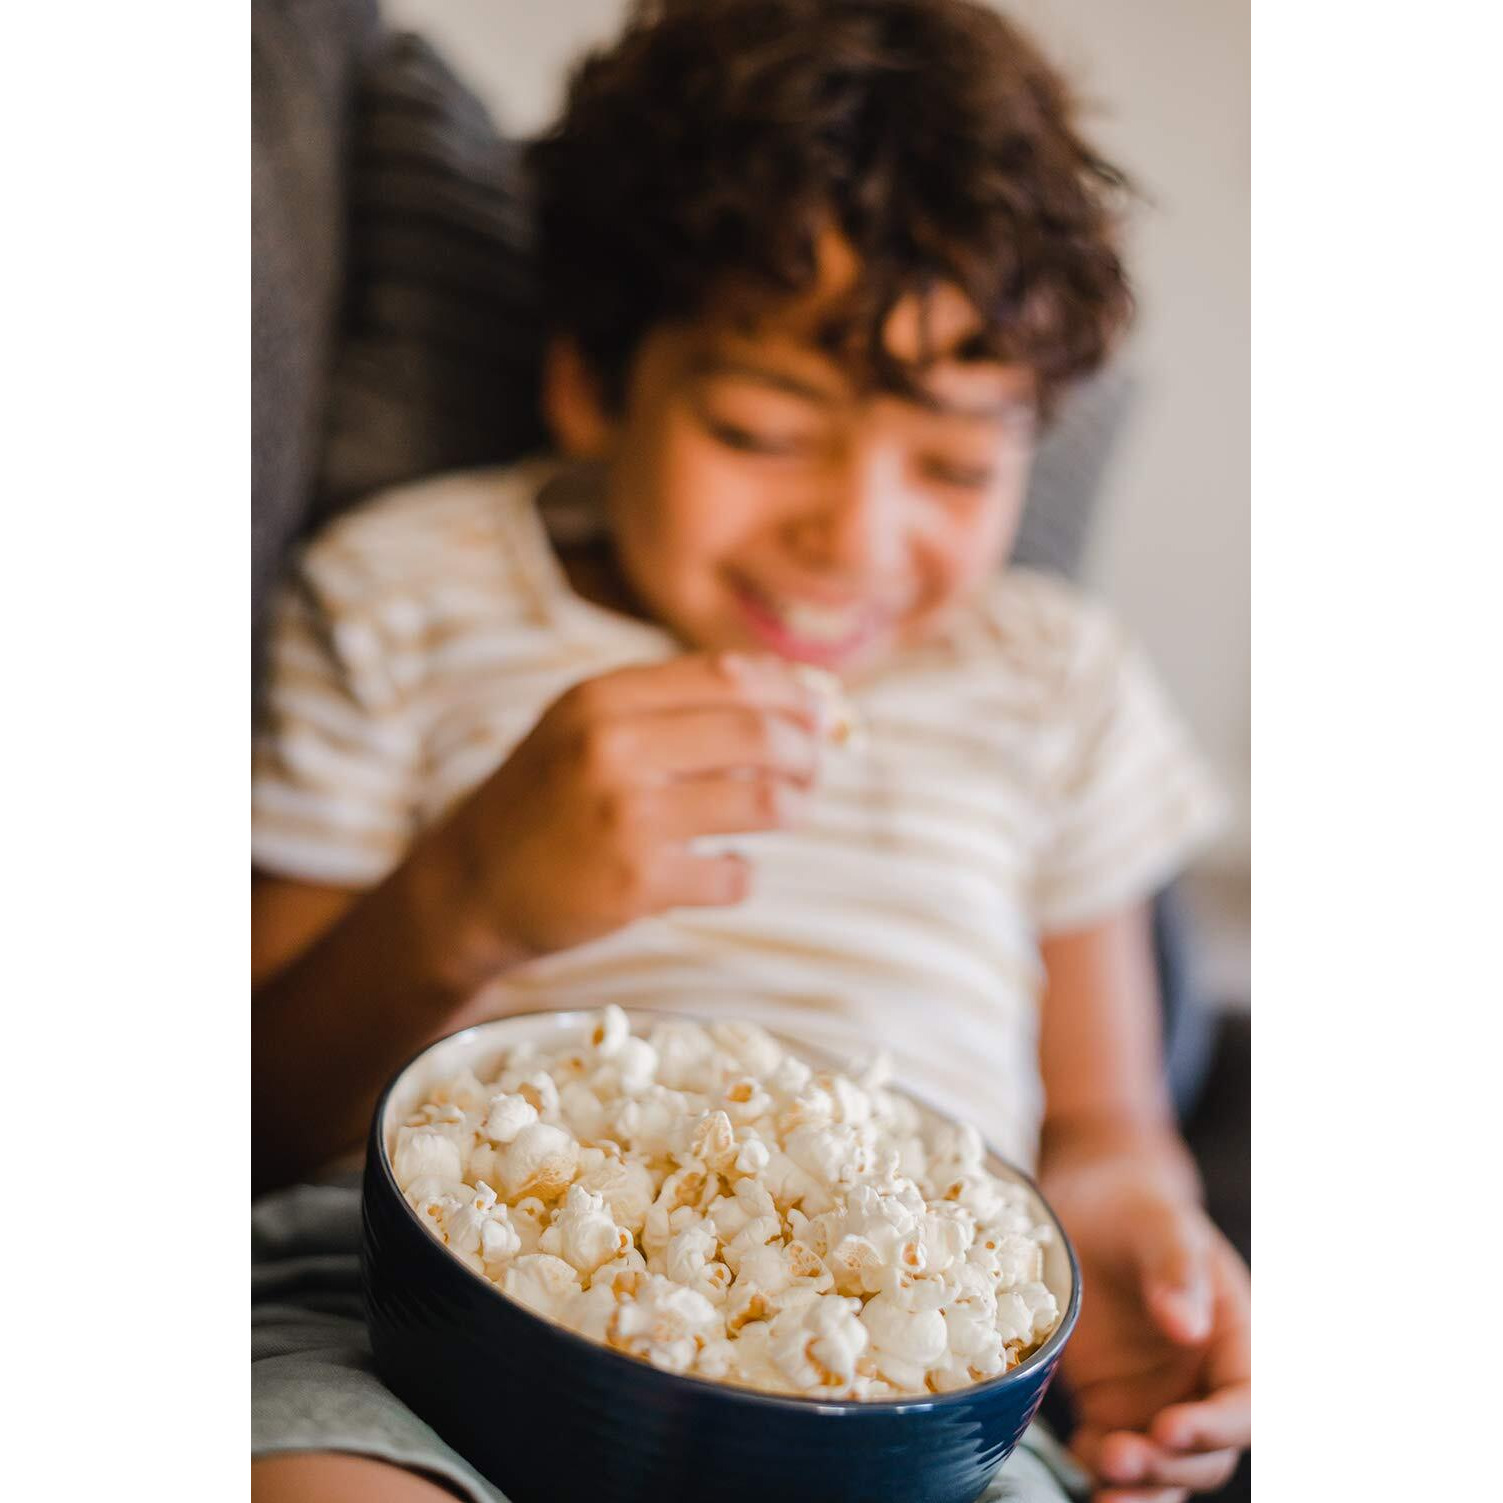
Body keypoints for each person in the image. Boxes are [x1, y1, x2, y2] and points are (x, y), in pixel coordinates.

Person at [251, 2, 1250, 1500]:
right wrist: (464, 898)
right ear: (595, 377)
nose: (852, 536)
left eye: (957, 464)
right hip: (411, 1318)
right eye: (762, 428)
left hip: (906, 1386)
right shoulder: (410, 594)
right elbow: (241, 1108)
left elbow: (1109, 1123)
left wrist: (1146, 1256)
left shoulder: (1044, 675)